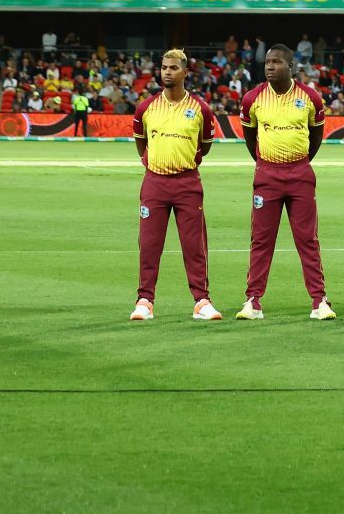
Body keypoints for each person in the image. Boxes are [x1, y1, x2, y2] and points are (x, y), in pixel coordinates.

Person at [233, 44, 332, 322]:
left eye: (276, 62)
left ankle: (319, 300)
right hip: (267, 175)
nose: (269, 67)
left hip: (300, 173)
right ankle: (253, 301)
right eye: (267, 62)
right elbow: (251, 140)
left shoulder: (310, 97)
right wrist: (266, 164)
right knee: (261, 240)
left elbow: (316, 137)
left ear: (290, 67)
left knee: (307, 239)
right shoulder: (252, 99)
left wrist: (299, 162)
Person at [130, 49, 221, 321]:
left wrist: (184, 164)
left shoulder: (201, 110)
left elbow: (204, 147)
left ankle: (201, 301)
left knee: (194, 245)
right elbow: (140, 144)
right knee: (149, 244)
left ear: (185, 72)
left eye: (172, 68)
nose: (166, 72)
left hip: (187, 182)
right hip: (155, 182)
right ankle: (144, 301)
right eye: (164, 67)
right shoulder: (146, 108)